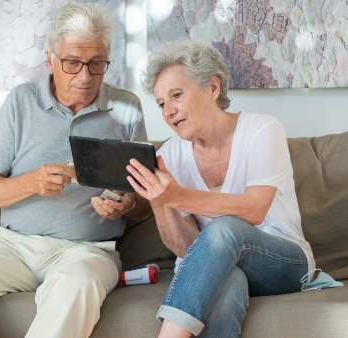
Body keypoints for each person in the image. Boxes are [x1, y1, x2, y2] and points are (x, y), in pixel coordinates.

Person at [0, 4, 147, 338]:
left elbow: (144, 200)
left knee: (76, 283)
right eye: (72, 63)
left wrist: (126, 203)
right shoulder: (20, 102)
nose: (85, 76)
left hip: (88, 251)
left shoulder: (126, 107)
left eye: (96, 64)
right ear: (50, 60)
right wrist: (30, 182)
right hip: (11, 246)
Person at [126, 40, 316, 338]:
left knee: (225, 227)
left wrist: (177, 196)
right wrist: (158, 201)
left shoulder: (262, 130)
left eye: (177, 95)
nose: (168, 112)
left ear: (213, 87)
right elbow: (189, 250)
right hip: (223, 266)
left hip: (286, 263)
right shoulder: (171, 154)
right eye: (161, 103)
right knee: (226, 285)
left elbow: (254, 209)